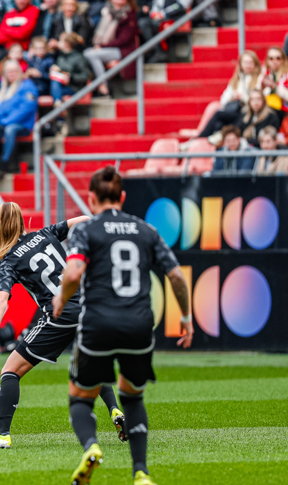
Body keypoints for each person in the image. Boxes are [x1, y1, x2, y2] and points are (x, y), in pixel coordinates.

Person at [52, 166, 193, 485]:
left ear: (91, 198)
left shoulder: (86, 230)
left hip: (98, 325)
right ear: (123, 197)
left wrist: (61, 298)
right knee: (132, 397)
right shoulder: (146, 230)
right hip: (139, 325)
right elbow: (176, 276)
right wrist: (185, 317)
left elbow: (73, 273)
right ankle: (141, 472)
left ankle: (91, 447)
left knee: (80, 397)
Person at [0, 204, 125, 449]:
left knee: (10, 370)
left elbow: (0, 300)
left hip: (60, 314)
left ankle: (1, 434)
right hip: (87, 307)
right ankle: (115, 410)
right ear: (21, 222)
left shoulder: (8, 260)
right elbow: (83, 219)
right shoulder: (45, 233)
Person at [0, 60, 39, 173]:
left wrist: (5, 121)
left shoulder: (26, 85)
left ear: (19, 72)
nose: (11, 73)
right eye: (8, 71)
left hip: (22, 124)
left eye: (13, 71)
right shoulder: (3, 88)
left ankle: (5, 162)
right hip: (3, 122)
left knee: (9, 129)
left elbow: (26, 108)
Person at [84, 0, 139, 96]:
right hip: (109, 48)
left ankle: (102, 84)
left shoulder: (129, 15)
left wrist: (101, 46)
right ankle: (100, 85)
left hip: (123, 50)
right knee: (87, 52)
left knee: (90, 54)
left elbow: (124, 40)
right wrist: (100, 46)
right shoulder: (106, 12)